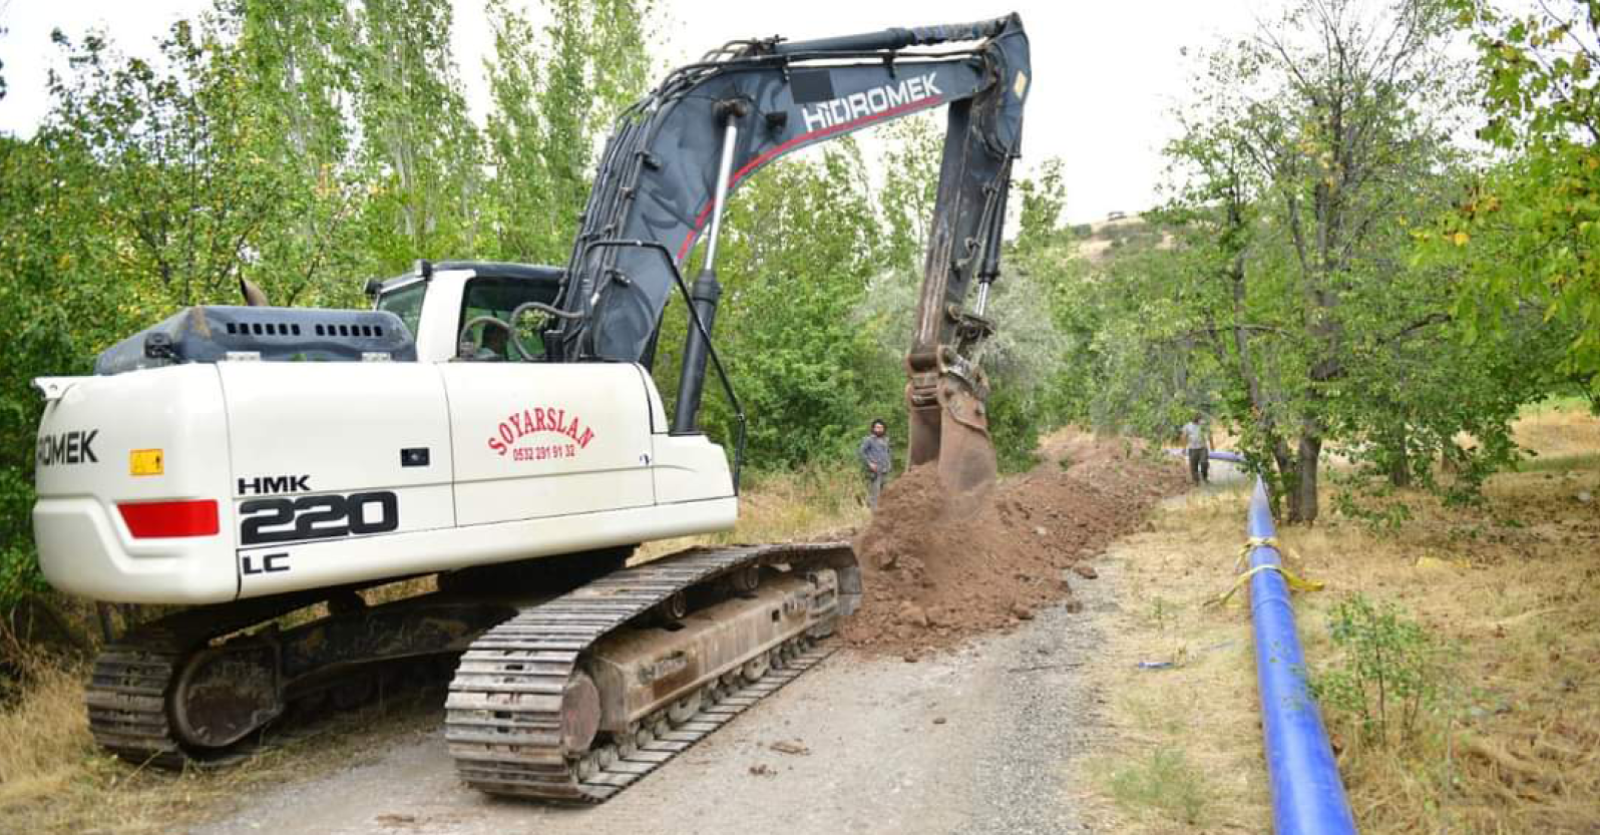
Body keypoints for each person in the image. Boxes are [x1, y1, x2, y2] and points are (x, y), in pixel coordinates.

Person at [858, 418, 893, 511]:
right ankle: (874, 516)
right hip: (875, 472)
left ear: (884, 429)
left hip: (885, 471)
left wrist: (889, 465)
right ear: (873, 428)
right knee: (875, 495)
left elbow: (888, 453)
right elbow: (861, 452)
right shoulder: (869, 440)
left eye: (881, 427)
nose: (879, 429)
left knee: (886, 494)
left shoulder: (886, 440)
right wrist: (870, 464)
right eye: (877, 427)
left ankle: (883, 513)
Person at [1181, 412, 1210, 485]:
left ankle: (1204, 477)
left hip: (1203, 447)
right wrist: (1184, 448)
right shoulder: (1187, 426)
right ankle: (1196, 481)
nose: (1197, 419)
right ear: (1193, 418)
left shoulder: (1203, 424)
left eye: (1199, 417)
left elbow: (1209, 433)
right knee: (1193, 466)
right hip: (1192, 449)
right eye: (1196, 417)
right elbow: (1184, 437)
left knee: (1204, 462)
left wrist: (1212, 444)